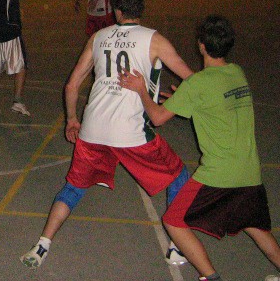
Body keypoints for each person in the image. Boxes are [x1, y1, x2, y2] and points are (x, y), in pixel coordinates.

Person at [21, 0, 193, 269]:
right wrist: (180, 99)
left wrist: (72, 119)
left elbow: (71, 85)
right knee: (179, 176)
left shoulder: (98, 37)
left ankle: (42, 245)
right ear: (141, 10)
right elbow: (192, 79)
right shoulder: (155, 39)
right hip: (131, 132)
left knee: (74, 187)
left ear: (116, 11)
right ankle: (177, 246)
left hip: (93, 129)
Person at [119, 15, 280, 281]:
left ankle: (210, 276)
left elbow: (157, 118)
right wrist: (183, 100)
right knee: (256, 227)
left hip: (218, 175)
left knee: (172, 220)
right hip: (249, 171)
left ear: (201, 46)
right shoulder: (236, 72)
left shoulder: (198, 84)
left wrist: (141, 91)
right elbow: (215, 107)